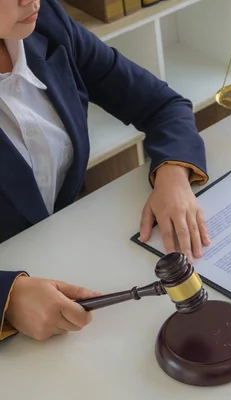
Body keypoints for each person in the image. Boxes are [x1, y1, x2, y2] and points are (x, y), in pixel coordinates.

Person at [0, 0, 212, 341]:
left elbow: (162, 104)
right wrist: (8, 298)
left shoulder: (47, 22)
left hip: (83, 261)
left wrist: (172, 175)